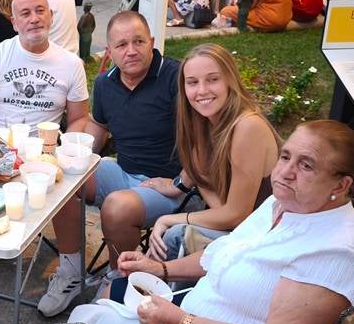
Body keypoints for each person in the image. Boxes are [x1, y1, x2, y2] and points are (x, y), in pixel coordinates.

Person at [78, 120, 354, 324]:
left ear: (341, 186)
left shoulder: (334, 251)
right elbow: (223, 251)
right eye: (285, 156)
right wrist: (160, 268)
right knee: (117, 289)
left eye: (306, 165)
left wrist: (180, 322)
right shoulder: (285, 203)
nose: (286, 172)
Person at [0, 0, 90, 315]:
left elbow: (78, 118)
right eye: (25, 13)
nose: (34, 18)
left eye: (40, 11)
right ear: (14, 21)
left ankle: (71, 270)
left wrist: (59, 156)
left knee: (69, 192)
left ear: (51, 16)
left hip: (43, 152)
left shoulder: (70, 64)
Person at [118, 43, 278, 268]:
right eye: (192, 82)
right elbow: (200, 177)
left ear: (230, 80)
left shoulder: (247, 127)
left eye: (213, 79)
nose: (202, 91)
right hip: (238, 231)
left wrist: (169, 219)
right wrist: (178, 185)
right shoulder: (205, 121)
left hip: (263, 243)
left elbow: (236, 215)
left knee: (173, 236)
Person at [80, 12, 184, 271]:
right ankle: (70, 269)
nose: (131, 51)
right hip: (123, 174)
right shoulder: (105, 83)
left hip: (169, 188)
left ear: (152, 42)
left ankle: (122, 277)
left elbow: (206, 140)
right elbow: (99, 125)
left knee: (117, 207)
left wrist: (181, 182)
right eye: (122, 45)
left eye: (139, 42)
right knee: (64, 182)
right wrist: (79, 154)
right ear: (110, 51)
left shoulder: (177, 77)